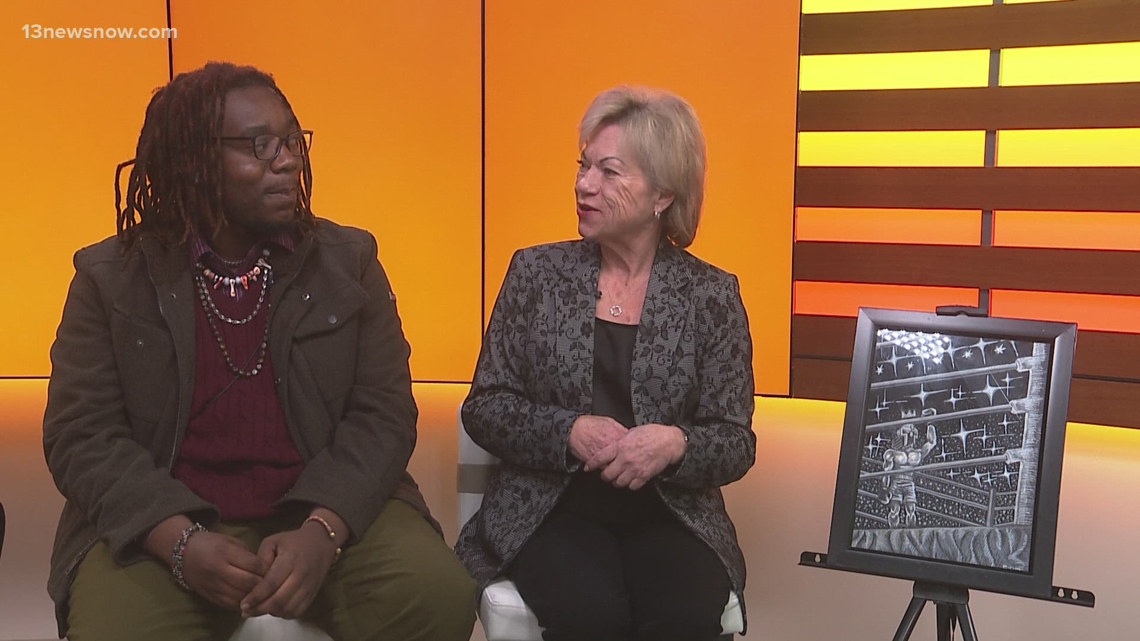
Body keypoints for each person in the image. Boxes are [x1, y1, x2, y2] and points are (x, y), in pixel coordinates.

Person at [42, 61, 476, 641]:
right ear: (193, 162)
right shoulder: (110, 277)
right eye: (259, 145)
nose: (288, 160)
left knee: (439, 596)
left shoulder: (350, 261)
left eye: (293, 140)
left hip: (322, 511)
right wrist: (178, 543)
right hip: (163, 524)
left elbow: (384, 415)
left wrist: (323, 531)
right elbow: (81, 435)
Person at [455, 86, 756, 641]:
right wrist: (568, 431)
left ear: (662, 194)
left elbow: (735, 441)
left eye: (609, 172)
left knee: (684, 618)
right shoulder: (536, 275)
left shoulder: (711, 295)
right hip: (550, 507)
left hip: (671, 514)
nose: (584, 184)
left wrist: (674, 444)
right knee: (592, 618)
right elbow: (486, 407)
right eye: (583, 166)